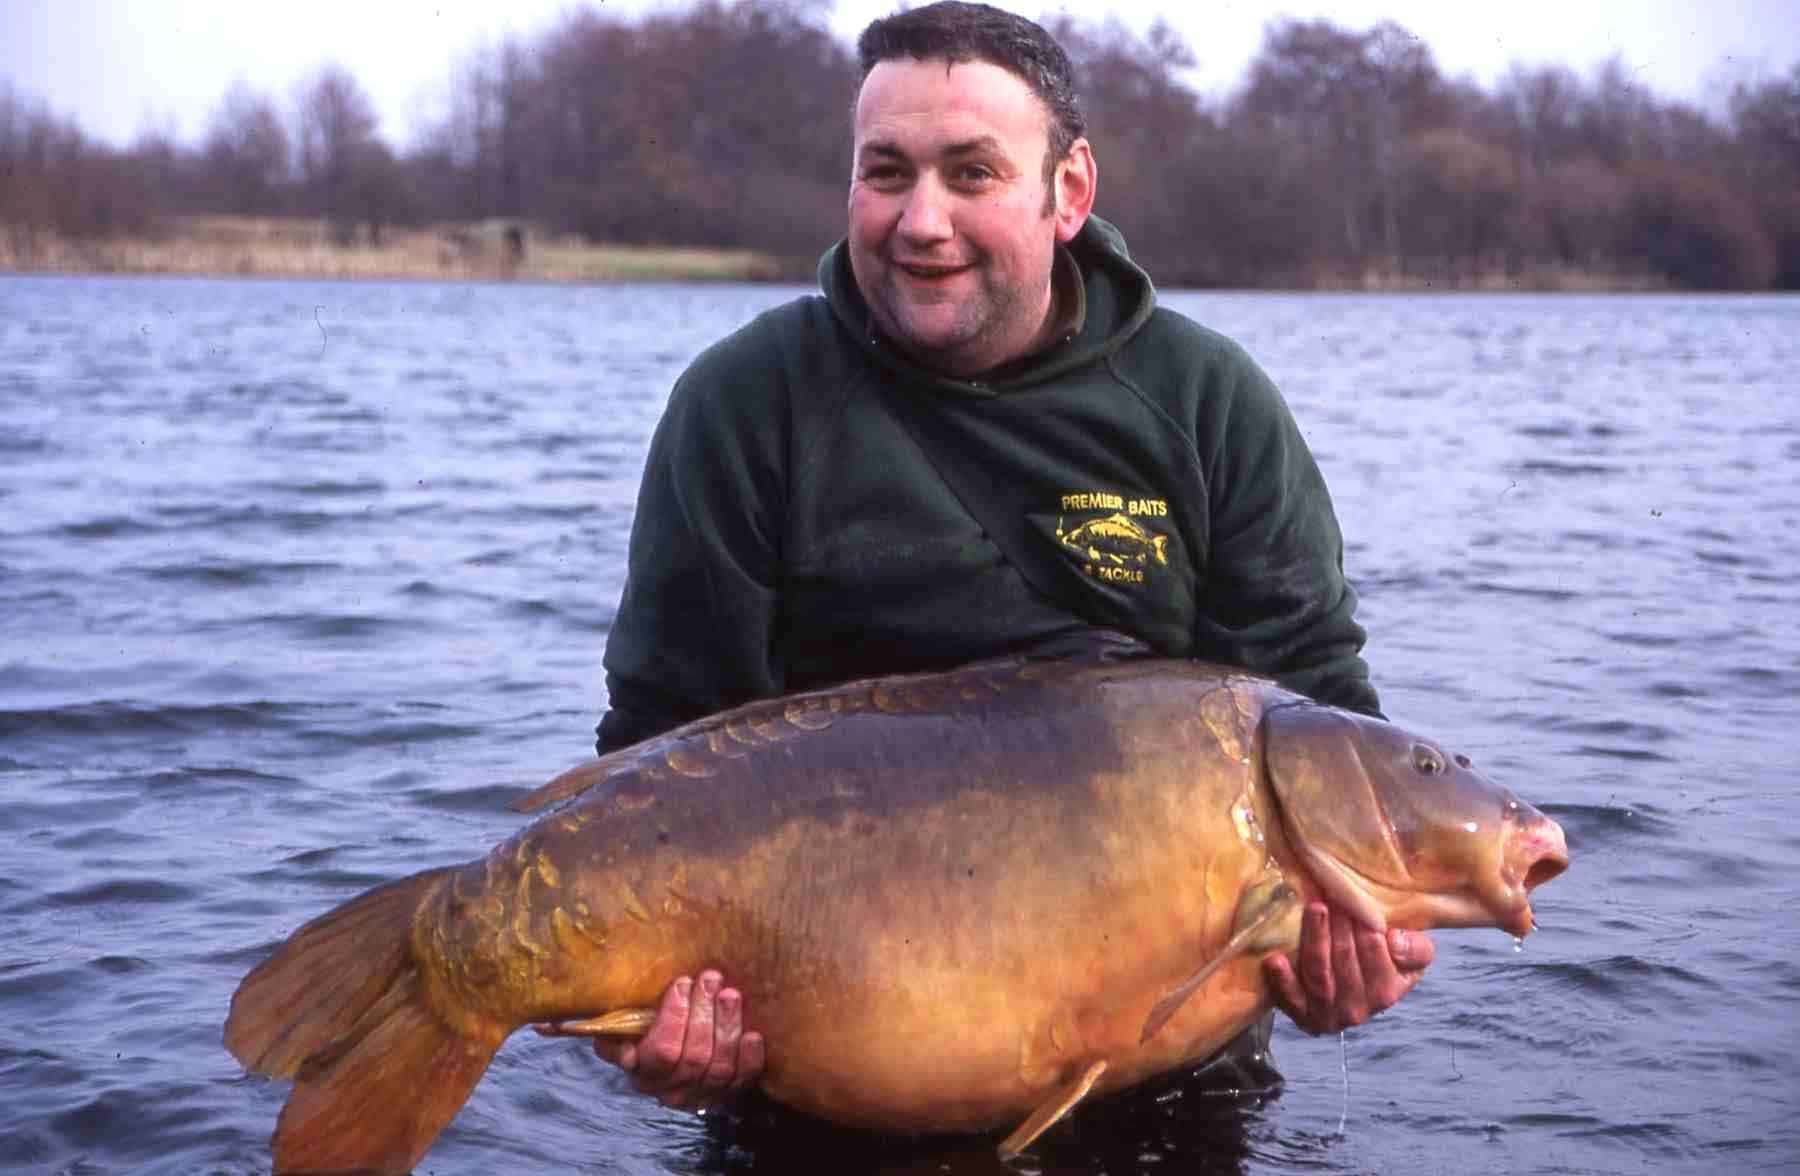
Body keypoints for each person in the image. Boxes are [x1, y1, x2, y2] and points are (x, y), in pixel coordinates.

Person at [589, 0, 1434, 1117]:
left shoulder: (1206, 404)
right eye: (885, 172)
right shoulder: (744, 405)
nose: (920, 221)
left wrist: (1346, 943)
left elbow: (1323, 733)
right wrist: (656, 1025)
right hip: (824, 1064)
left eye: (972, 173)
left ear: (1069, 192)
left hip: (1166, 1074)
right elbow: (657, 751)